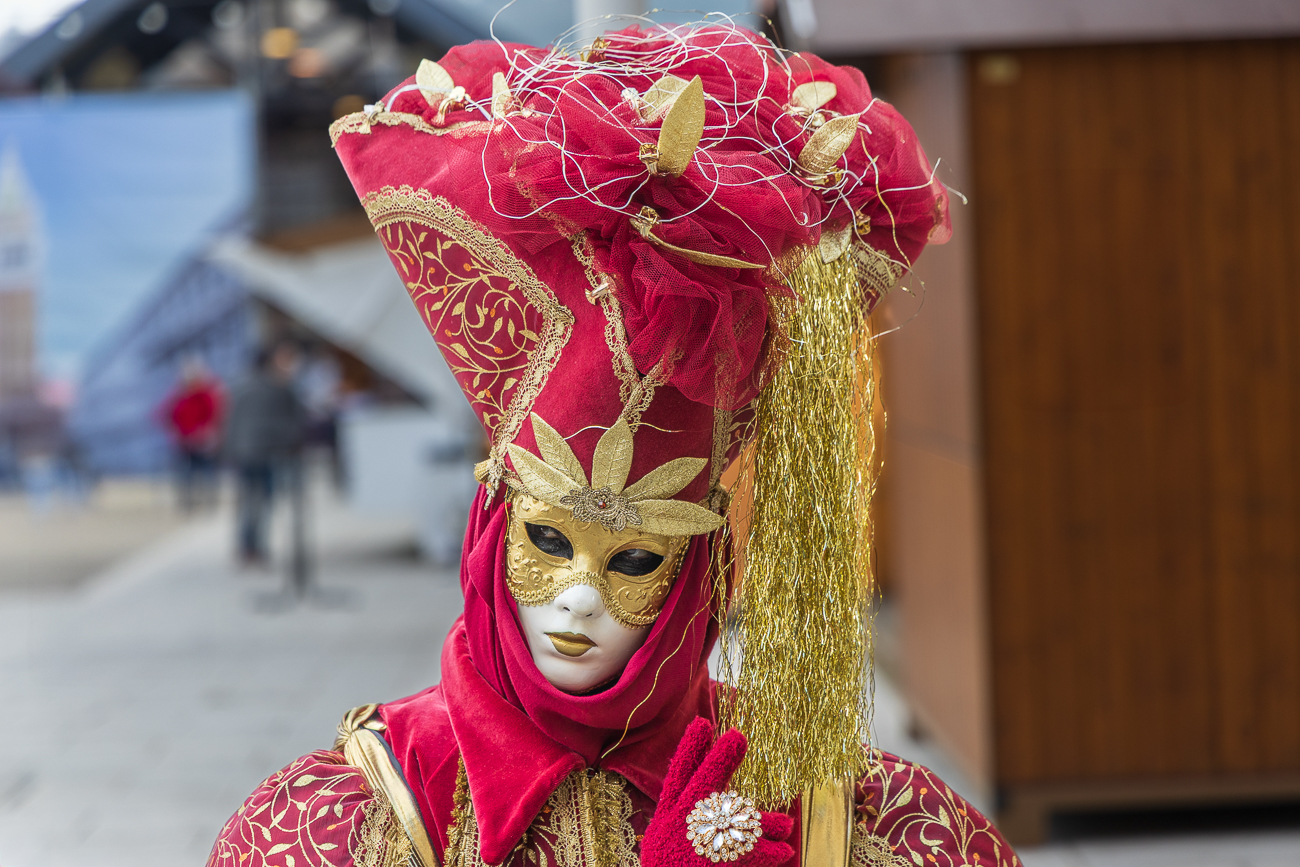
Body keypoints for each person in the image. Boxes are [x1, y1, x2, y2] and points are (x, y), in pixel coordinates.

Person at [209, 23, 1017, 867]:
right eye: (547, 541)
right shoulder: (341, 826)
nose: (580, 598)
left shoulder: (842, 812)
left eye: (634, 560)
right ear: (491, 534)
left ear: (699, 575)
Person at [223, 342, 306, 567]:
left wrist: (228, 450)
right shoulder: (276, 387)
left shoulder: (242, 385)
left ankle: (248, 547)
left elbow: (231, 422)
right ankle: (253, 547)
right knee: (261, 502)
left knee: (251, 502)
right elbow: (289, 422)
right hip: (262, 452)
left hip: (246, 452)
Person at [161, 356, 225, 512]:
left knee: (207, 472)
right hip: (185, 441)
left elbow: (215, 415)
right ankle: (188, 502)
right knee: (186, 474)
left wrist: (207, 432)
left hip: (203, 441)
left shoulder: (207, 394)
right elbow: (168, 415)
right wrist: (177, 432)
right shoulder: (178, 396)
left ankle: (210, 501)